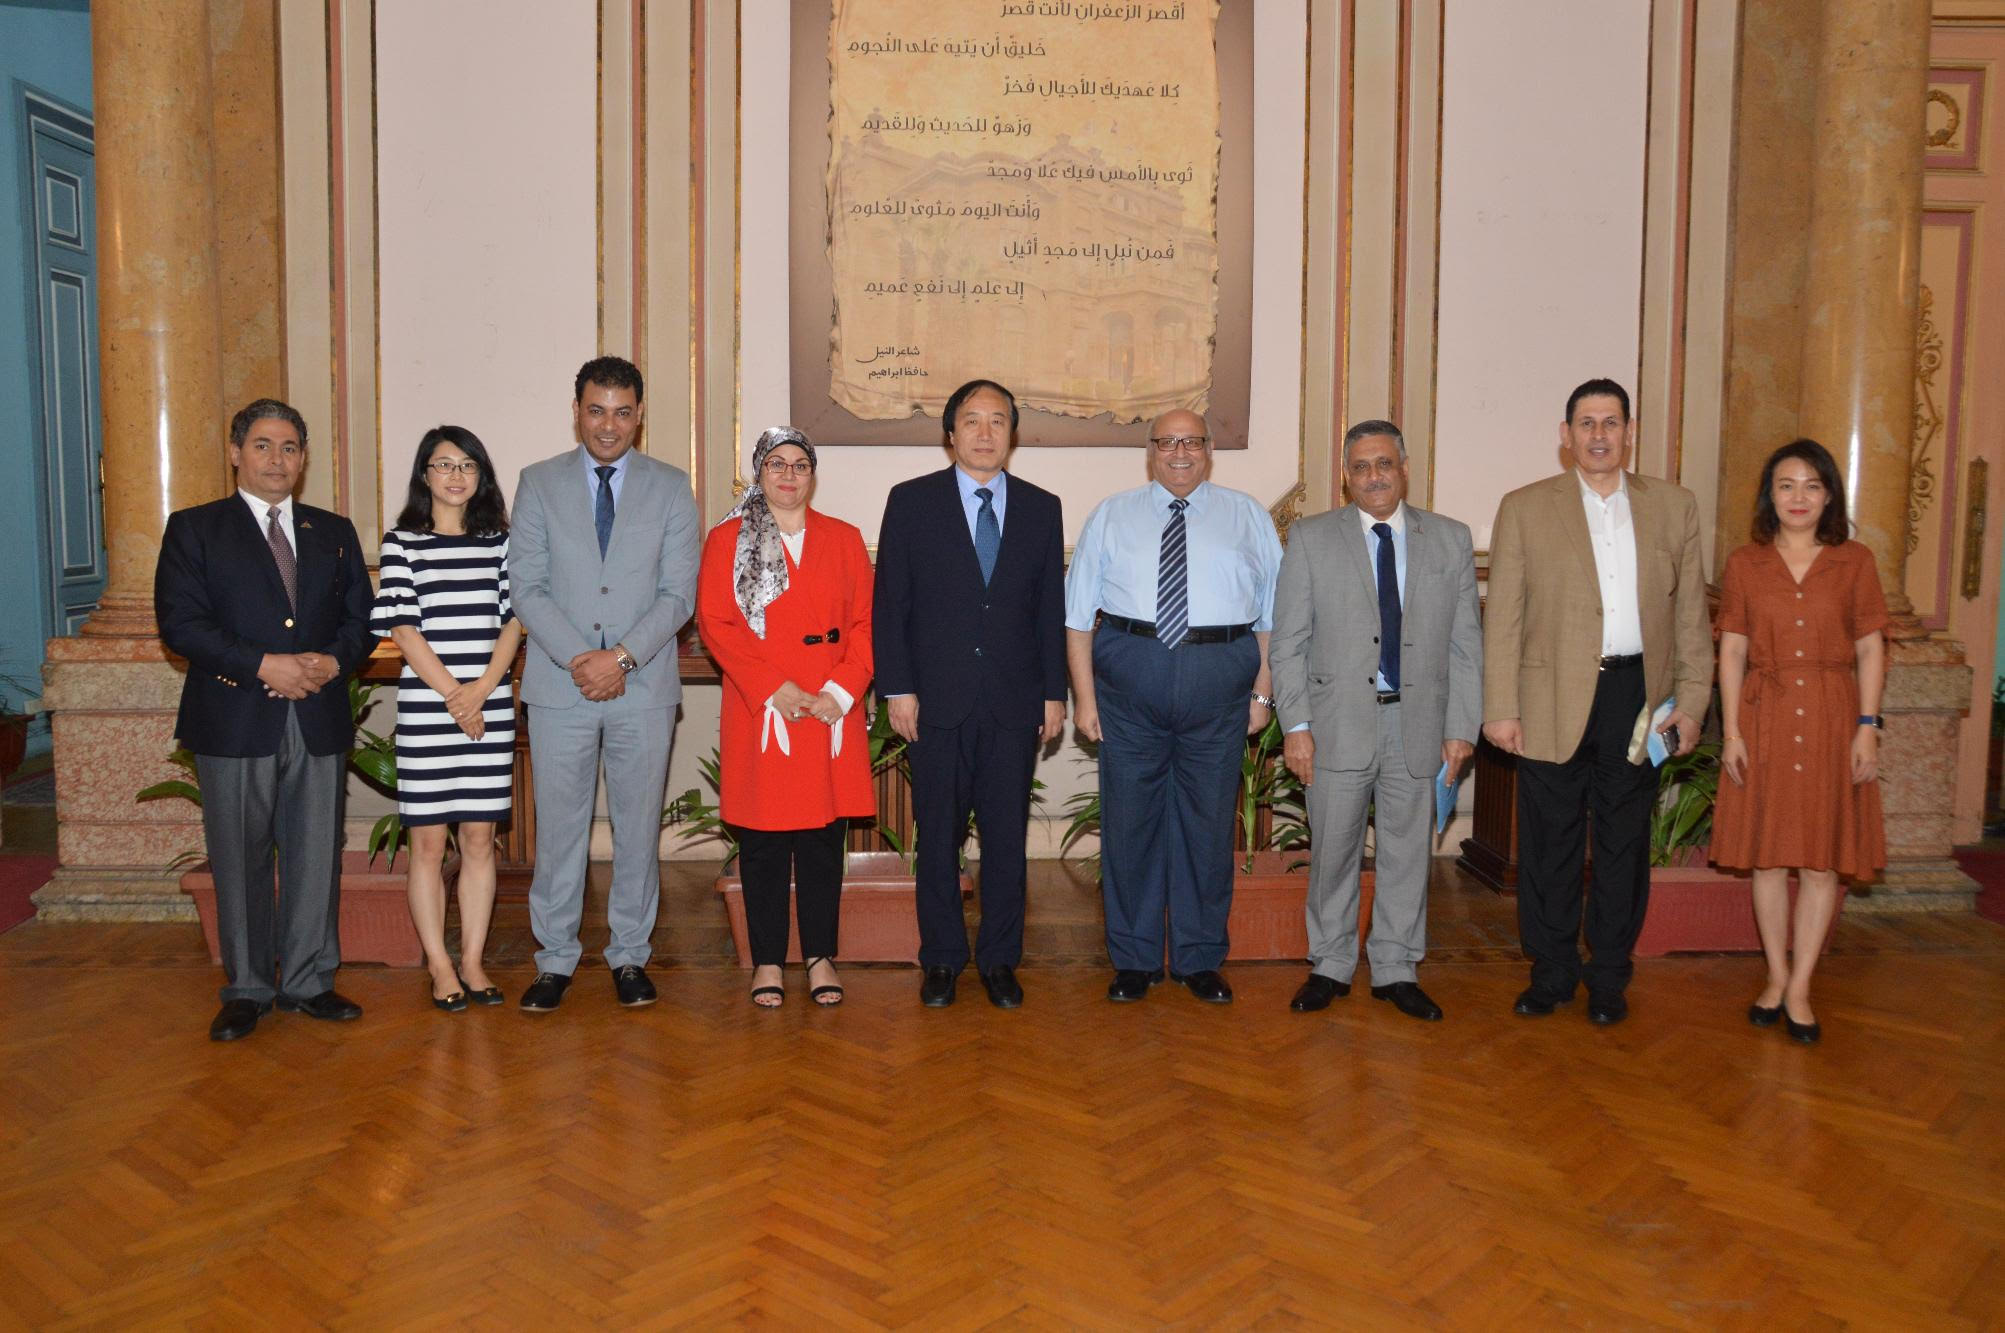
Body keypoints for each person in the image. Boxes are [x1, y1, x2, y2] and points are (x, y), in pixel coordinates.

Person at [1482, 378, 1712, 1026]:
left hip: (1637, 700)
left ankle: (1608, 975)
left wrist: (1691, 705)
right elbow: (1502, 617)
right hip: (1548, 696)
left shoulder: (1673, 507)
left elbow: (1692, 619)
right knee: (1549, 845)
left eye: (1610, 422)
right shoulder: (1525, 507)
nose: (1599, 435)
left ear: (1628, 431)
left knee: (1621, 846)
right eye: (1585, 423)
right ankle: (1551, 972)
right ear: (1565, 435)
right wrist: (1500, 706)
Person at [155, 398, 376, 1041]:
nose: (276, 459)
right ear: (235, 453)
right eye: (262, 446)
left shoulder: (332, 531)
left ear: (303, 459)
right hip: (234, 716)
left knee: (314, 854)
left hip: (318, 715)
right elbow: (181, 624)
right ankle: (247, 988)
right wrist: (263, 665)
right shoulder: (195, 528)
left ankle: (309, 980)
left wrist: (333, 663)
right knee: (239, 855)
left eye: (288, 448)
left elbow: (362, 620)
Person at [1067, 408, 1283, 1004]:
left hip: (1221, 682)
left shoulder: (1247, 515)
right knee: (1130, 824)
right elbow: (1079, 617)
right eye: (1167, 442)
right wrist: (1085, 699)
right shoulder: (1112, 514)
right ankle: (1134, 959)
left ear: (1209, 449)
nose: (1180, 453)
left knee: (1208, 826)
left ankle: (1197, 957)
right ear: (1150, 451)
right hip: (1130, 680)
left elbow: (1272, 619)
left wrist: (1263, 695)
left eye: (1191, 442)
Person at [1270, 420, 1482, 1022]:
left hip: (1420, 724)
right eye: (1360, 467)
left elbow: (1467, 644)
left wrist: (1462, 726)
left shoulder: (1450, 539)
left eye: (1384, 463)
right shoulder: (1311, 539)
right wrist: (1297, 726)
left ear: (1405, 467)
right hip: (1335, 726)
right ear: (1345, 475)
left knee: (1407, 855)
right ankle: (1330, 964)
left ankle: (1395, 966)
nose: (1373, 476)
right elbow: (1288, 643)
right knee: (1333, 851)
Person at [509, 356, 701, 1013]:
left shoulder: (672, 487)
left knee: (637, 827)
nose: (608, 424)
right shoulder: (537, 483)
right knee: (558, 832)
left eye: (622, 411)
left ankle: (628, 956)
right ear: (577, 410)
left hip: (642, 688)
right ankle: (554, 959)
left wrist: (617, 658)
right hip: (559, 688)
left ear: (639, 414)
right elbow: (526, 587)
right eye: (596, 410)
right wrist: (580, 659)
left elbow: (679, 595)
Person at [873, 378, 1067, 1009]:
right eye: (972, 422)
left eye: (998, 422)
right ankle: (942, 960)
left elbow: (1048, 610)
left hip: (1014, 703)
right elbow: (891, 606)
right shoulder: (910, 502)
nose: (985, 434)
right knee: (939, 837)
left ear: (1014, 434)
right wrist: (898, 689)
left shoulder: (1042, 507)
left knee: (1008, 839)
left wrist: (1053, 693)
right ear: (950, 433)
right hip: (935, 703)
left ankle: (1000, 960)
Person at [1710, 439, 1886, 1045]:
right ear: (1770, 496)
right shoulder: (1745, 564)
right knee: (1768, 856)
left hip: (1837, 718)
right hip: (1766, 717)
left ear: (1830, 494)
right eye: (1786, 485)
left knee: (1819, 860)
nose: (1799, 497)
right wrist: (1731, 731)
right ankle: (1776, 977)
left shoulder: (1855, 561)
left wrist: (1869, 726)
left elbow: (1869, 647)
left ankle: (1803, 986)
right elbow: (1731, 648)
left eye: (1812, 485)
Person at [697, 428, 876, 1007]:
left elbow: (865, 625)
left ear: (812, 474)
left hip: (827, 714)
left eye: (800, 465)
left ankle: (821, 956)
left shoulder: (845, 539)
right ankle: (768, 960)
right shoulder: (728, 540)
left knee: (825, 843)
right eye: (778, 464)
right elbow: (716, 624)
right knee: (765, 846)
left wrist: (841, 691)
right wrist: (774, 687)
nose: (789, 475)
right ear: (760, 471)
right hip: (764, 712)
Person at [371, 426, 522, 1011]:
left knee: (480, 840)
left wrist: (483, 689)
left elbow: (513, 621)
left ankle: (474, 961)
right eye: (443, 465)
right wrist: (456, 696)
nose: (456, 476)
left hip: (488, 705)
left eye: (467, 465)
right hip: (429, 709)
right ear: (424, 476)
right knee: (429, 844)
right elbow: (404, 629)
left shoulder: (501, 544)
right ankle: (439, 965)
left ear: (480, 476)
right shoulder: (402, 542)